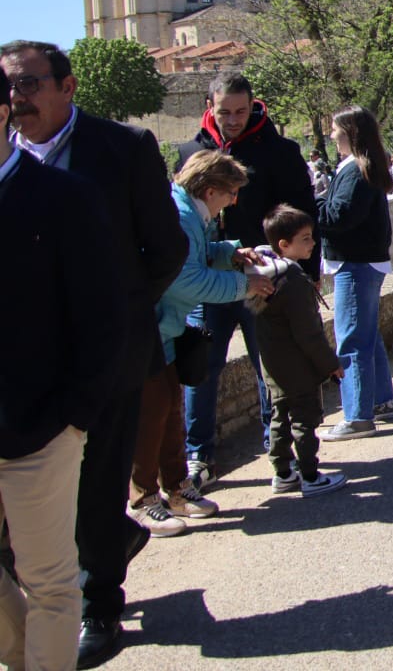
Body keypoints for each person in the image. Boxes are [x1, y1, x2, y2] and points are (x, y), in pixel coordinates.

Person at [2, 40, 188, 669]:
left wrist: (120, 313)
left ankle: (99, 605)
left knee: (96, 487)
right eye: (9, 88)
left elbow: (164, 248)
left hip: (105, 357)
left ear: (67, 86)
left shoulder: (122, 149)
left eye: (28, 85)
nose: (16, 99)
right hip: (20, 370)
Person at [0, 63, 121, 671]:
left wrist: (75, 417)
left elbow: (103, 316)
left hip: (41, 427)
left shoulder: (62, 197)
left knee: (48, 583)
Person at [175, 72, 318, 491]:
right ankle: (198, 455)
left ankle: (277, 454)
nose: (233, 120)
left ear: (254, 105)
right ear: (209, 105)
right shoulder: (189, 153)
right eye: (224, 112)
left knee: (270, 368)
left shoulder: (280, 152)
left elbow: (303, 217)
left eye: (240, 111)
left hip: (265, 278)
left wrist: (304, 276)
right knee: (200, 368)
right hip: (207, 281)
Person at [137, 151, 271, 537]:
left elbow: (198, 257)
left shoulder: (190, 213)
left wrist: (229, 252)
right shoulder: (179, 217)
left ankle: (177, 489)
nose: (234, 201)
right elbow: (187, 280)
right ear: (211, 190)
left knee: (169, 411)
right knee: (151, 415)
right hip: (148, 329)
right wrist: (245, 284)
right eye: (231, 194)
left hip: (164, 328)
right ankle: (143, 500)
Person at [246, 205, 348, 494]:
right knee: (304, 420)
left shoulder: (266, 277)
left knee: (280, 417)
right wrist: (330, 363)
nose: (312, 243)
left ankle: (283, 472)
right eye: (305, 238)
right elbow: (308, 333)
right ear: (284, 245)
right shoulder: (292, 282)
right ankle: (310, 476)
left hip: (274, 365)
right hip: (297, 365)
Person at [317, 106, 393, 440]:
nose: (332, 136)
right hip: (367, 262)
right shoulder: (365, 168)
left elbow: (339, 217)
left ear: (351, 132)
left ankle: (357, 416)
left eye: (336, 130)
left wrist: (313, 205)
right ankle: (382, 401)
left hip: (356, 264)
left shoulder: (355, 171)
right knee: (368, 335)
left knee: (352, 340)